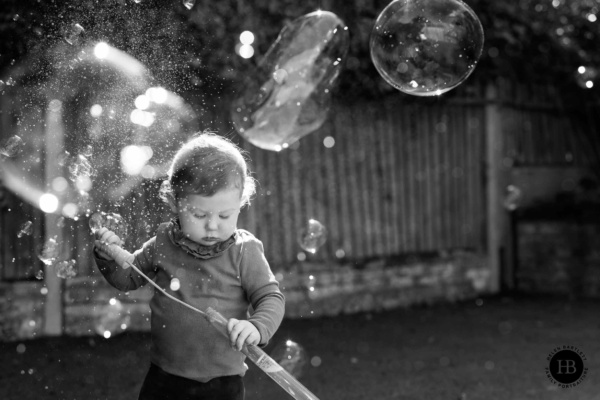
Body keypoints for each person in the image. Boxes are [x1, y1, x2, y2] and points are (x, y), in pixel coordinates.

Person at [93, 132, 285, 400]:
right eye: (199, 214)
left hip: (222, 383)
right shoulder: (163, 243)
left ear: (241, 203)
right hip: (165, 377)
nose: (213, 224)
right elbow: (128, 279)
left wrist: (256, 326)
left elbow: (270, 297)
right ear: (174, 202)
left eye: (225, 215)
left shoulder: (244, 251)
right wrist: (109, 257)